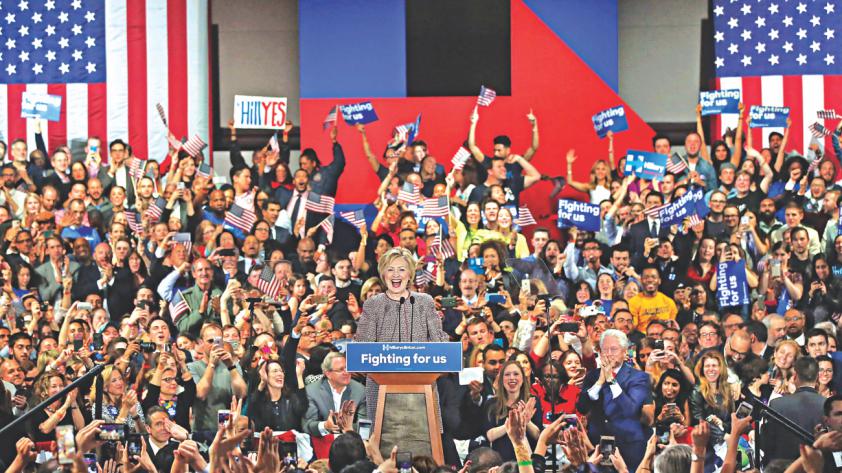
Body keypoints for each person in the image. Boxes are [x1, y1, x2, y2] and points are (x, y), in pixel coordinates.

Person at [355, 247, 449, 420]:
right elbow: (361, 351)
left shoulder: (424, 302)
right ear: (383, 275)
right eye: (390, 269)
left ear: (410, 275)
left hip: (421, 391)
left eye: (401, 269)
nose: (395, 275)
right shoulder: (372, 305)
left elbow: (440, 345)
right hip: (382, 392)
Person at [576, 329, 650, 470]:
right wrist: (599, 382)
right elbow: (582, 407)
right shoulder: (592, 376)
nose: (609, 354)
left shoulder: (639, 377)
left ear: (624, 352)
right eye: (605, 350)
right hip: (597, 445)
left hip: (629, 446)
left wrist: (610, 379)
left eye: (614, 349)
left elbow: (630, 410)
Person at [761, 356, 825, 464]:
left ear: (795, 376)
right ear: (817, 377)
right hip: (817, 467)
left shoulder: (777, 404)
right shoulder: (828, 405)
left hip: (783, 467)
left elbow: (765, 442)